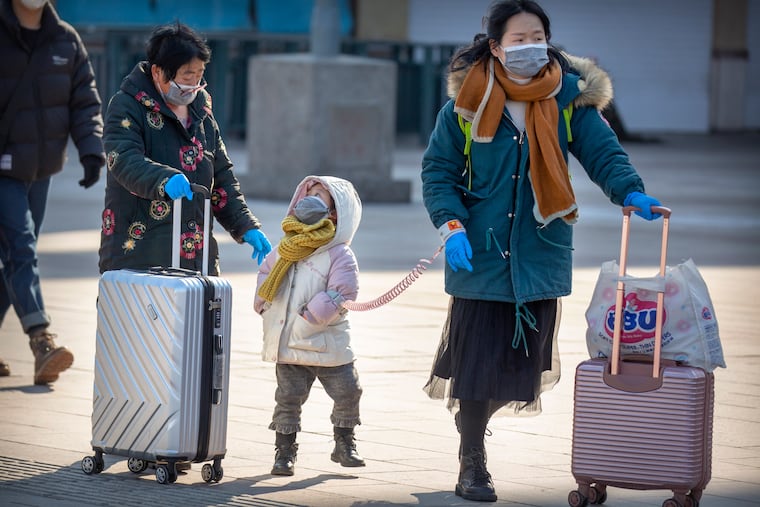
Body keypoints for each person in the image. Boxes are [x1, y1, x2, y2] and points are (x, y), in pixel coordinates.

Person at [420, 0, 662, 502]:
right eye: (519, 39)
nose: (530, 47)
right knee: (474, 368)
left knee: (516, 372)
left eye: (538, 37)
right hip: (481, 252)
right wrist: (451, 225)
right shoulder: (464, 105)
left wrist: (630, 190)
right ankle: (472, 463)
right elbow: (438, 172)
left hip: (539, 252)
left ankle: (475, 435)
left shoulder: (568, 100)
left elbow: (602, 153)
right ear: (495, 46)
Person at [98, 22, 271, 275]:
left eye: (199, 74)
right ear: (158, 72)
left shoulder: (202, 114)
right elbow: (122, 159)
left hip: (195, 259)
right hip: (139, 256)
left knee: (195, 313)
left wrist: (245, 225)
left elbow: (222, 177)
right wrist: (163, 178)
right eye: (186, 75)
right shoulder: (126, 106)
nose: (194, 82)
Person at [0, 0, 105, 384]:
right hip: (3, 169)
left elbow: (84, 100)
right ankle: (41, 340)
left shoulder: (65, 39)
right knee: (21, 249)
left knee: (15, 259)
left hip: (41, 170)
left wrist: (91, 149)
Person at [254, 175, 365, 476]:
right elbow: (267, 273)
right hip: (290, 340)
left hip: (327, 340)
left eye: (321, 196)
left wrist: (312, 315)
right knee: (287, 399)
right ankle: (284, 451)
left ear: (335, 214)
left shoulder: (339, 254)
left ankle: (344, 442)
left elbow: (343, 291)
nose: (311, 199)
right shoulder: (286, 246)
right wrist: (263, 301)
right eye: (309, 193)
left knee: (349, 391)